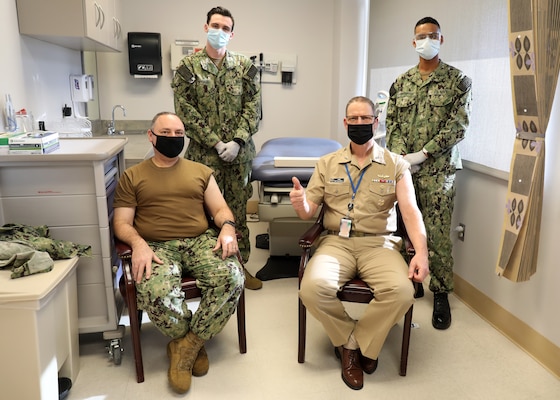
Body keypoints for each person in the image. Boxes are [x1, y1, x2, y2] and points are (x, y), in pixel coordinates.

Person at [289, 96, 429, 390]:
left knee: (403, 292)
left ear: (376, 122)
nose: (359, 124)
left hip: (380, 244)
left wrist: (422, 253)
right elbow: (309, 213)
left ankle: (352, 344)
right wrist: (300, 203)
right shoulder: (327, 164)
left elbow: (411, 212)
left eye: (366, 119)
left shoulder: (396, 165)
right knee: (312, 289)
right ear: (345, 123)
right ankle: (357, 345)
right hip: (336, 244)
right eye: (353, 119)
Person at [112, 112, 245, 394]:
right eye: (166, 132)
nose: (173, 138)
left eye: (178, 133)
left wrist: (228, 228)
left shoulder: (200, 171)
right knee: (153, 286)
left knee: (232, 277)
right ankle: (190, 341)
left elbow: (220, 210)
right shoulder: (132, 176)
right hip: (156, 245)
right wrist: (138, 244)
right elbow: (121, 223)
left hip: (199, 240)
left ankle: (187, 344)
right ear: (151, 136)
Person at [386, 16, 472, 330]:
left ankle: (440, 294)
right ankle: (413, 281)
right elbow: (391, 125)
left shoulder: (458, 81)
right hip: (405, 169)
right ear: (413, 42)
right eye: (421, 36)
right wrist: (402, 158)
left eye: (432, 35)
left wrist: (424, 153)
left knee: (436, 234)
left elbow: (458, 126)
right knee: (403, 230)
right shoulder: (401, 83)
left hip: (439, 170)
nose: (426, 41)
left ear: (441, 39)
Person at [171, 5, 262, 290]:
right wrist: (215, 141)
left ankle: (241, 266)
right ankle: (211, 269)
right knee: (205, 216)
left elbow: (254, 109)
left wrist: (236, 141)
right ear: (205, 27)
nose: (219, 32)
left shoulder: (245, 67)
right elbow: (184, 110)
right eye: (215, 26)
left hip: (239, 157)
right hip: (203, 156)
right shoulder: (188, 68)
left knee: (236, 213)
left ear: (232, 34)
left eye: (225, 28)